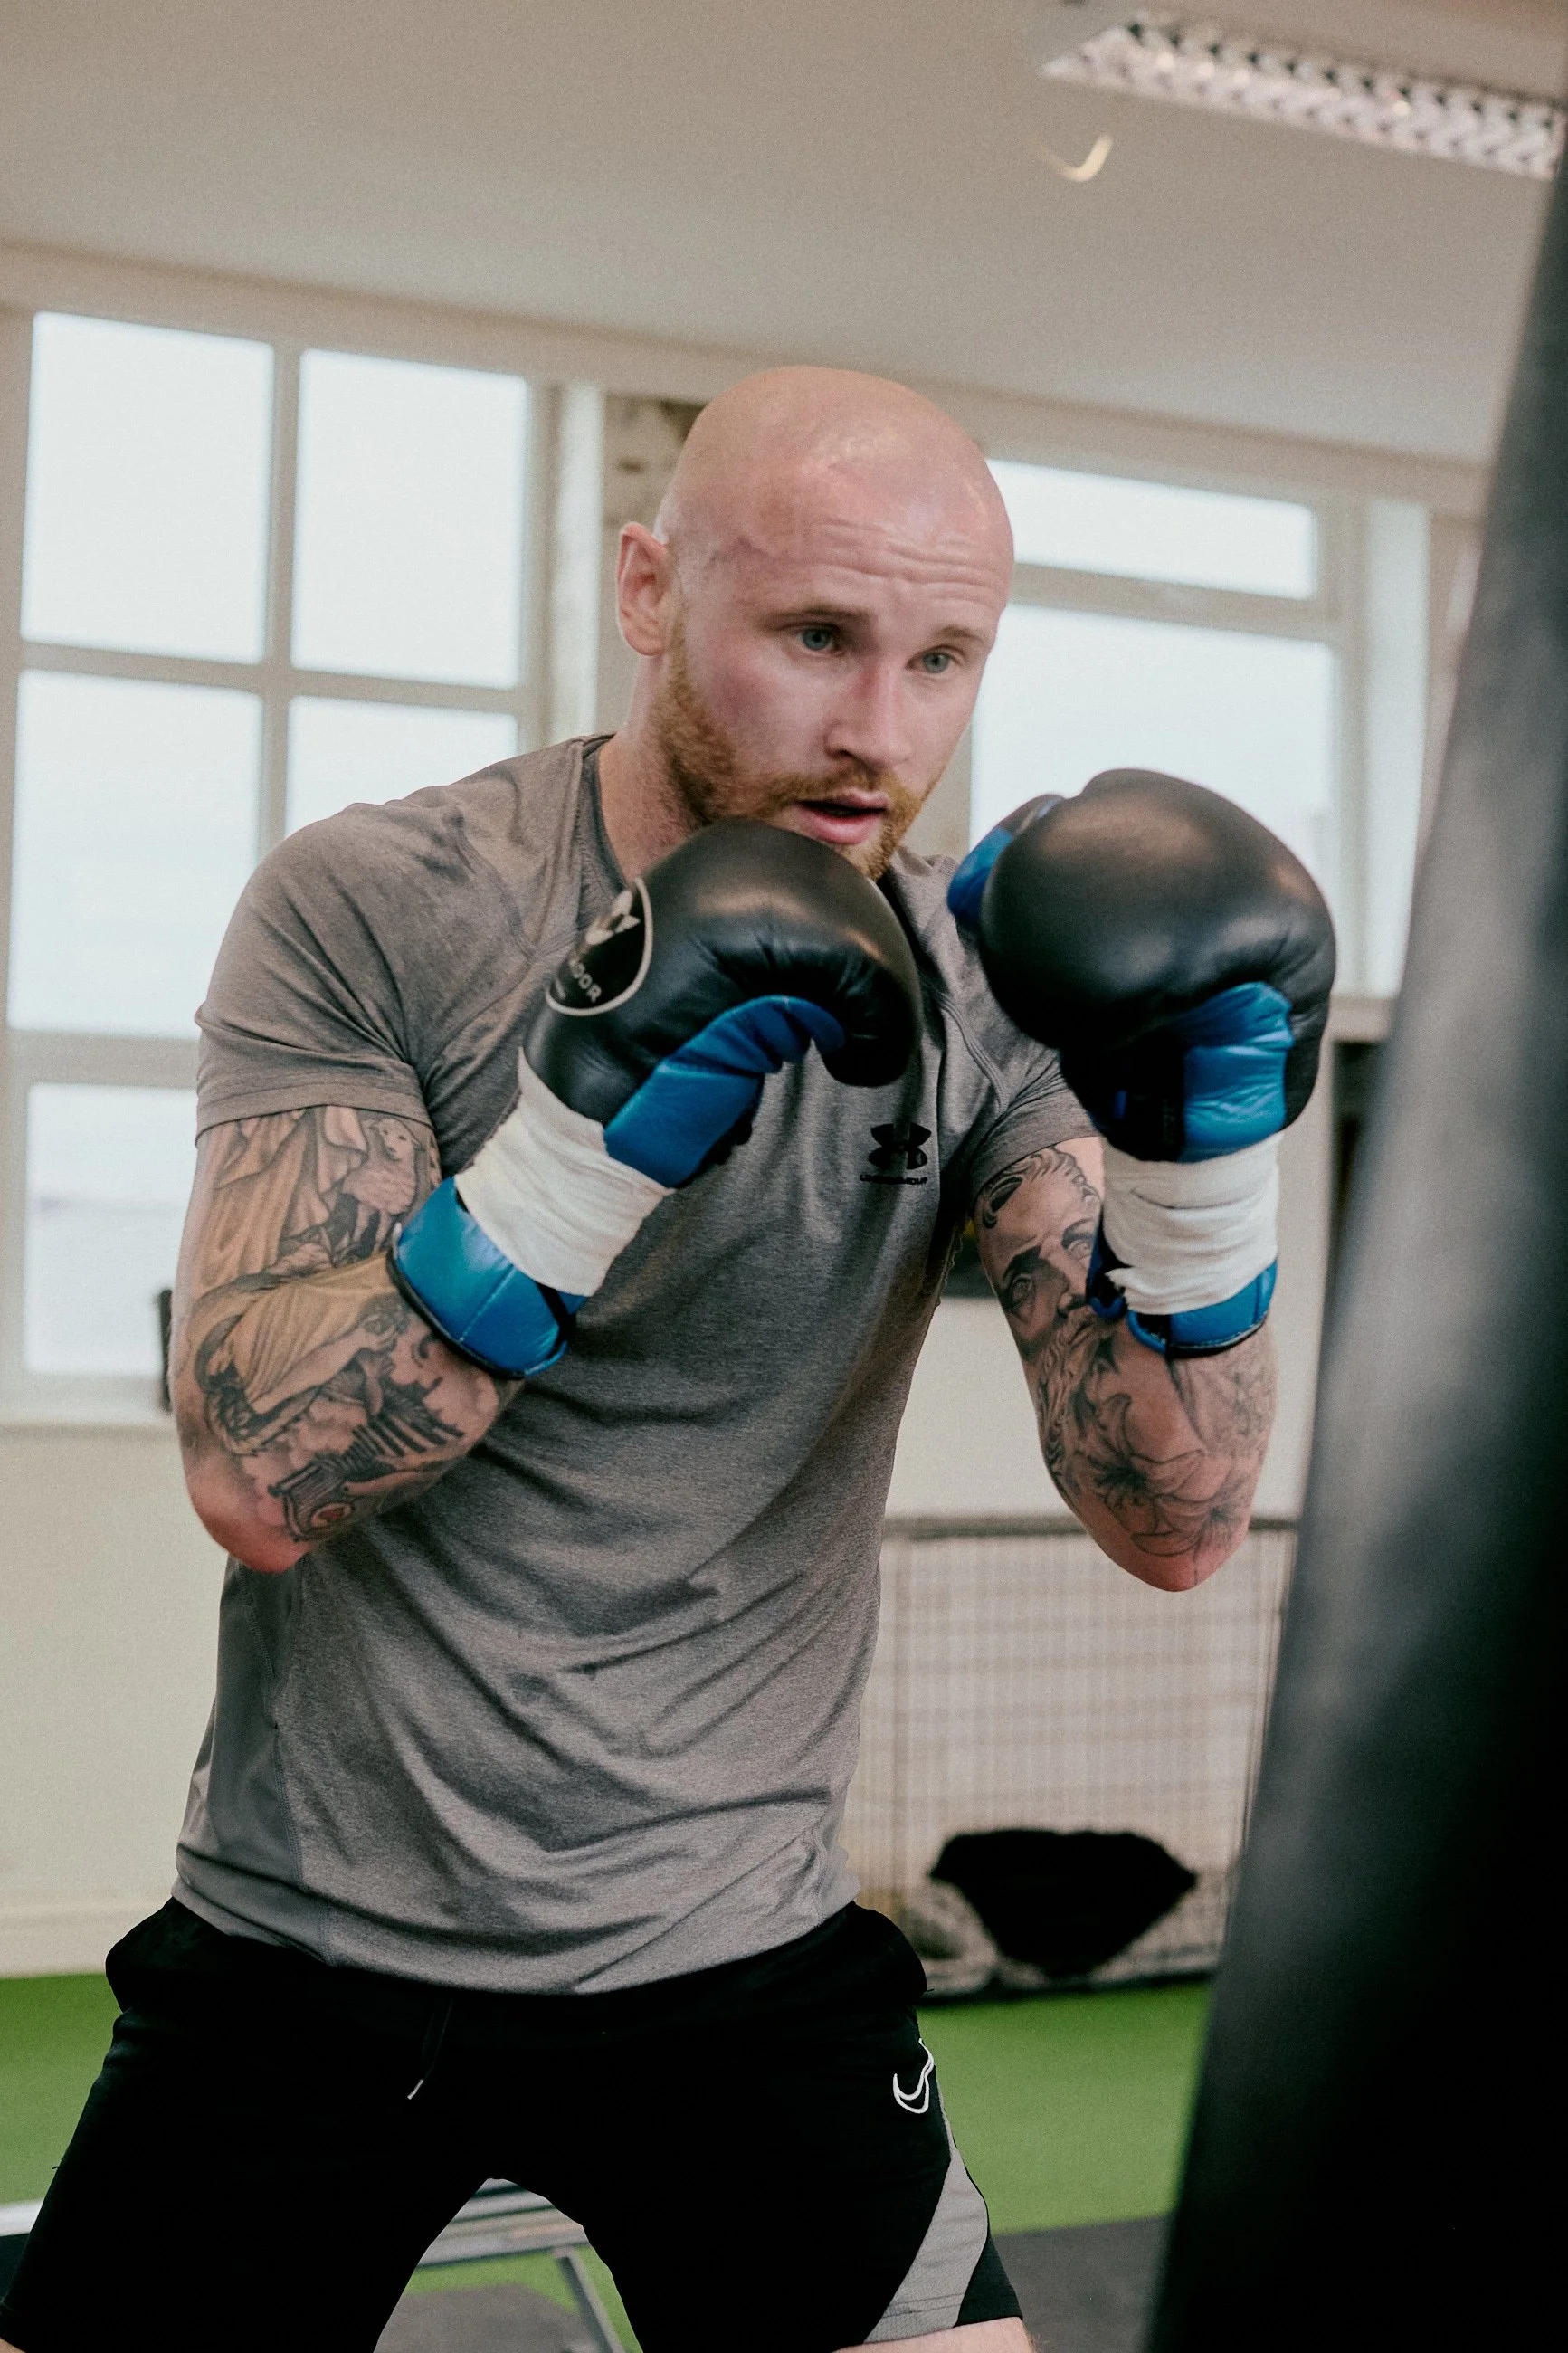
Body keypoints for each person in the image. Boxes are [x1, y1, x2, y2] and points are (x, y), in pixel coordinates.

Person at [0, 367, 1329, 2353]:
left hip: (736, 1951)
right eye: (814, 637)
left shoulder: (985, 982)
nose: (878, 728)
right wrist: (581, 1135)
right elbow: (257, 1479)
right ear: (648, 586)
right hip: (313, 1933)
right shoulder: (384, 903)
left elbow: (1175, 1517)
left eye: (941, 656)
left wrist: (1200, 1185)